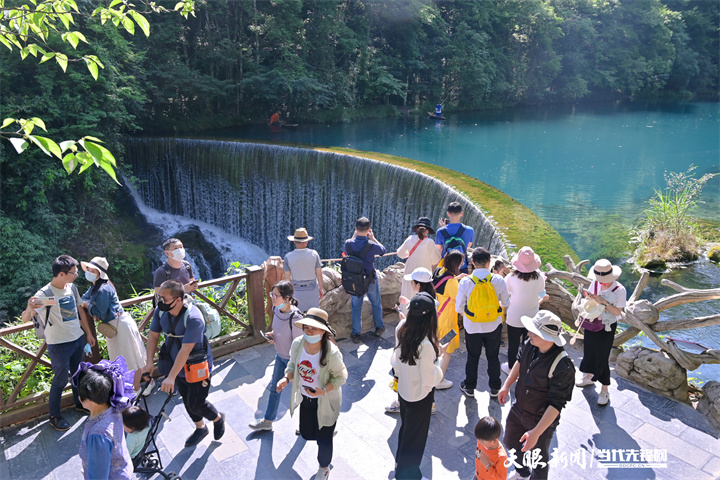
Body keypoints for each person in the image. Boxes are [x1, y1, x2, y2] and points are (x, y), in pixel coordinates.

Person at [144, 280, 225, 447]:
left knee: (197, 403)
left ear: (178, 299)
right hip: (175, 364)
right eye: (159, 298)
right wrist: (149, 363)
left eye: (164, 299)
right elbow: (153, 336)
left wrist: (171, 377)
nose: (160, 302)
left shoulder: (194, 318)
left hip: (196, 365)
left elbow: (186, 350)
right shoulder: (161, 312)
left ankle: (217, 418)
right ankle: (200, 428)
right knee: (188, 401)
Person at [20, 255, 96, 431]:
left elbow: (80, 312)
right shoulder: (44, 294)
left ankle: (79, 403)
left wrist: (88, 334)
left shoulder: (72, 288)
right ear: (62, 274)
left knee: (78, 374)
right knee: (60, 380)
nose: (77, 275)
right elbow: (25, 319)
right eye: (74, 272)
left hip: (77, 339)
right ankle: (54, 415)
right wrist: (30, 307)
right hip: (59, 344)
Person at [498, 311, 575, 480]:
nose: (528, 333)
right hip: (519, 408)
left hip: (540, 418)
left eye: (534, 331)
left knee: (539, 459)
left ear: (548, 337)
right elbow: (519, 361)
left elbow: (556, 405)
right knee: (510, 442)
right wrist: (506, 384)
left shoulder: (563, 366)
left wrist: (536, 432)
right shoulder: (530, 343)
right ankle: (522, 472)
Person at [277, 308, 348, 480]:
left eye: (314, 328)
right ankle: (328, 430)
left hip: (325, 400)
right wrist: (286, 379)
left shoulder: (331, 352)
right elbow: (293, 365)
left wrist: (323, 390)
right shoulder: (298, 344)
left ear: (323, 331)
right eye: (306, 327)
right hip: (306, 398)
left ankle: (324, 468)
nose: (309, 331)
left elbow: (342, 376)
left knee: (323, 440)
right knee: (307, 433)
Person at [391, 292, 444, 480]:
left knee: (406, 430)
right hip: (420, 397)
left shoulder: (401, 328)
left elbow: (395, 363)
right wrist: (439, 358)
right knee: (416, 439)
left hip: (404, 391)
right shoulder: (427, 345)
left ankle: (400, 464)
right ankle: (408, 475)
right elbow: (430, 379)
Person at [80, 256, 147, 388]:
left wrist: (88, 306)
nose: (89, 272)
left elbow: (101, 312)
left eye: (93, 270)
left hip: (120, 326)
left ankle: (136, 389)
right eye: (88, 269)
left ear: (100, 273)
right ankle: (133, 389)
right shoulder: (96, 286)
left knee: (132, 359)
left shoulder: (103, 289)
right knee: (126, 359)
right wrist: (85, 303)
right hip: (115, 326)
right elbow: (83, 298)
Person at [249, 280, 304, 431]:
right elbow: (278, 329)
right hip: (280, 357)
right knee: (274, 389)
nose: (272, 297)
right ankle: (267, 421)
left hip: (294, 362)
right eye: (271, 294)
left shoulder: (296, 318)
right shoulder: (275, 309)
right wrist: (273, 335)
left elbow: (298, 346)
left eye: (275, 295)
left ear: (287, 298)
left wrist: (291, 373)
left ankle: (314, 423)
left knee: (303, 393)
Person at [386, 267, 442, 414]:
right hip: (426, 341)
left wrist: (404, 322)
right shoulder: (430, 301)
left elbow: (420, 324)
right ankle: (431, 403)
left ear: (418, 285)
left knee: (411, 372)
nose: (411, 284)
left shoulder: (424, 304)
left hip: (417, 344)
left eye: (412, 282)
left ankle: (404, 402)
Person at [456, 248, 509, 399]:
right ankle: (494, 388)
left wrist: (470, 316)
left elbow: (458, 307)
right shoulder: (498, 280)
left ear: (472, 263)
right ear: (489, 262)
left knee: (473, 356)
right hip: (493, 325)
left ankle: (470, 387)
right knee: (493, 356)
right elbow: (506, 302)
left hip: (472, 326)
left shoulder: (466, 281)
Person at [73, 357, 135, 480]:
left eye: (80, 394)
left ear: (89, 400)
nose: (79, 398)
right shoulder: (113, 408)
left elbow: (98, 476)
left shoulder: (97, 435)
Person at [576, 259, 627, 406]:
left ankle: (604, 389)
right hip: (592, 322)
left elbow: (618, 312)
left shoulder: (620, 290)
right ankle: (589, 377)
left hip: (607, 326)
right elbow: (590, 299)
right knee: (589, 351)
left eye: (605, 280)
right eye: (600, 280)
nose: (602, 283)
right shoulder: (596, 282)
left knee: (602, 356)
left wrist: (603, 302)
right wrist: (590, 298)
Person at [502, 247, 548, 375]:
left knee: (513, 344)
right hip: (532, 317)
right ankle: (526, 366)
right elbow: (541, 294)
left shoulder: (511, 277)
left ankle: (511, 368)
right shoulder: (539, 278)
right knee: (529, 344)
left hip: (514, 317)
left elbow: (505, 294)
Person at [344, 217, 386, 343]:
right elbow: (383, 250)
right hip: (370, 279)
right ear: (368, 230)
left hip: (355, 280)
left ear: (356, 229)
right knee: (376, 303)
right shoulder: (372, 245)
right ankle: (379, 327)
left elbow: (346, 251)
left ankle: (356, 334)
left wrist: (354, 235)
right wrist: (372, 238)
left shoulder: (348, 243)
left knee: (356, 307)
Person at [432, 250, 466, 388]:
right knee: (446, 353)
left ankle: (429, 373)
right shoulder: (452, 282)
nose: (463, 264)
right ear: (456, 264)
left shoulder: (439, 271)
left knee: (434, 348)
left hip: (436, 317)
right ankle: (440, 381)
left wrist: (456, 279)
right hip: (447, 322)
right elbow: (458, 301)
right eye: (461, 262)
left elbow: (443, 284)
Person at [397, 217, 441, 313]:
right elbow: (436, 259)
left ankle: (405, 318)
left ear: (417, 229)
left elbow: (400, 254)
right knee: (421, 297)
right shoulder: (429, 242)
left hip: (409, 274)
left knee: (407, 295)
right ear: (428, 231)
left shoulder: (409, 239)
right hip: (423, 277)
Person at [284, 228, 324, 311]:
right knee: (313, 314)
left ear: (294, 242)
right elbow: (319, 274)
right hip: (312, 289)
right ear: (306, 242)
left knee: (297, 314)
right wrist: (321, 287)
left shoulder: (288, 257)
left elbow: (287, 279)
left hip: (296, 290)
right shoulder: (314, 254)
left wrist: (288, 293)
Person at [436, 202, 474, 273]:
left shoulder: (440, 231)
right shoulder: (470, 230)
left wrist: (444, 229)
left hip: (446, 266)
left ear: (448, 214)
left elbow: (439, 248)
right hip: (462, 266)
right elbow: (468, 245)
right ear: (461, 214)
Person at [474, 416, 508, 480]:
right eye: (478, 439)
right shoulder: (482, 439)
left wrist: (488, 466)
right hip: (478, 476)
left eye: (483, 442)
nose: (479, 442)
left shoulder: (501, 457)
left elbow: (501, 478)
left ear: (494, 441)